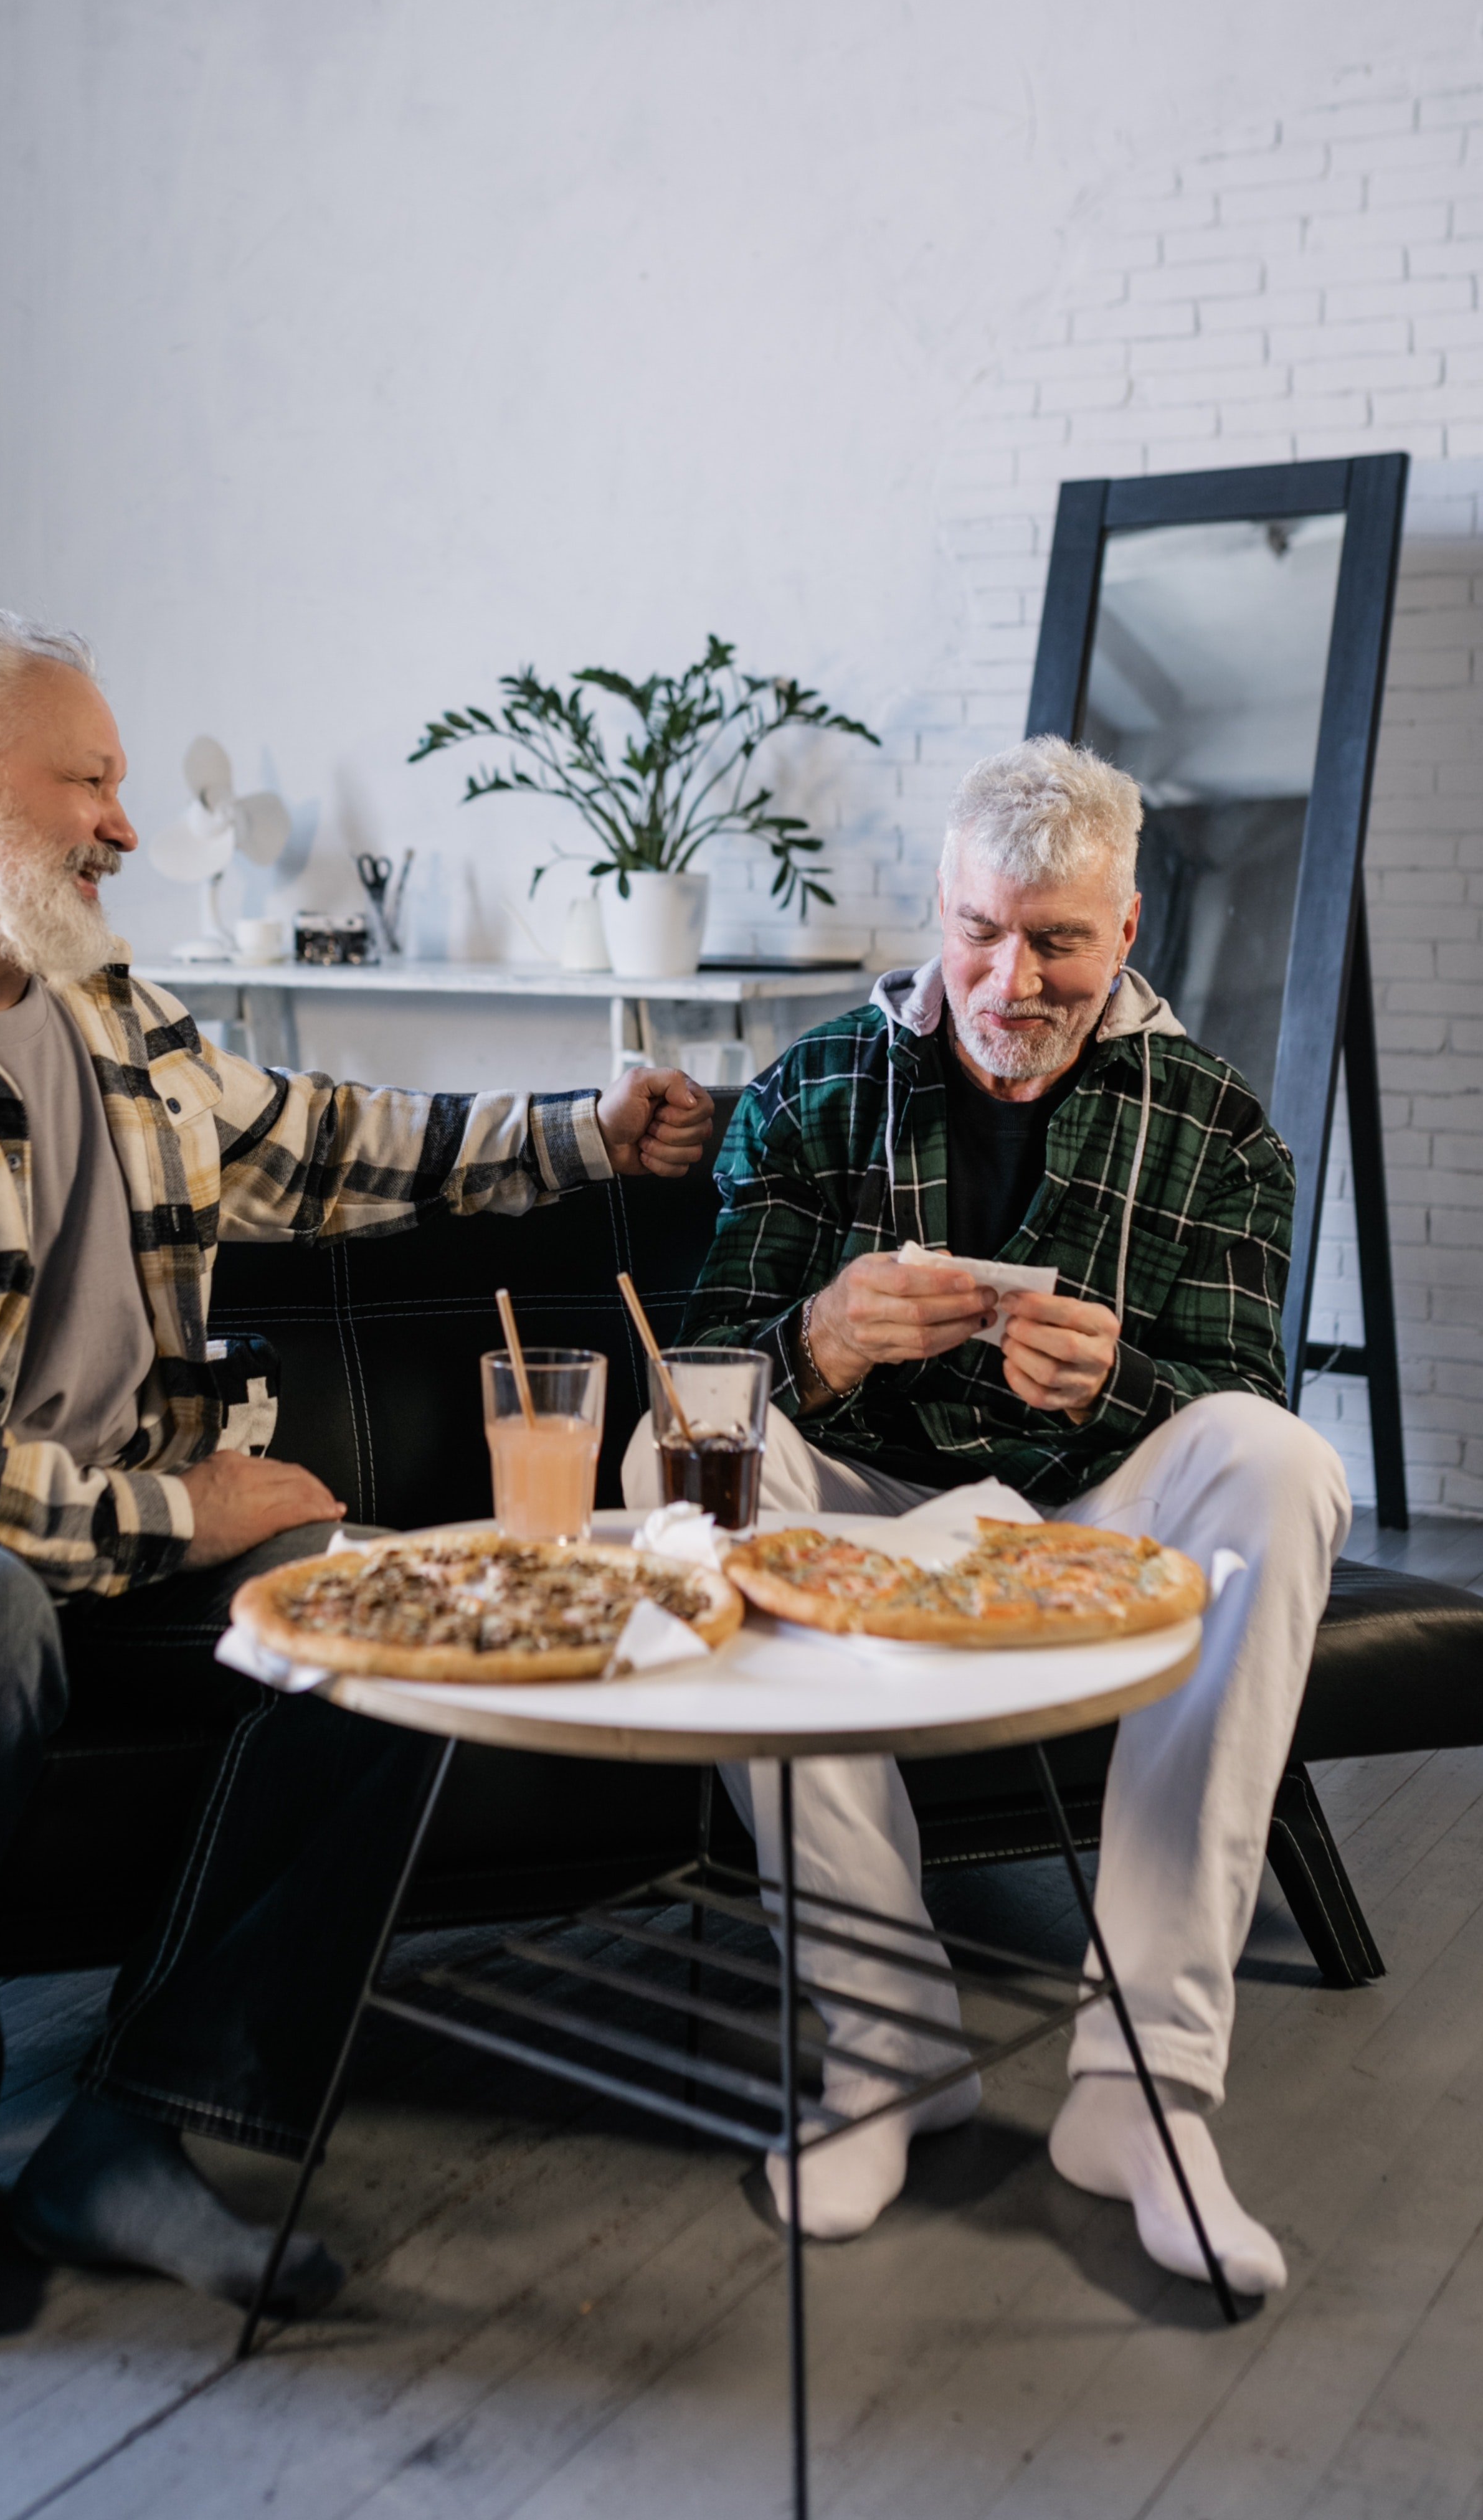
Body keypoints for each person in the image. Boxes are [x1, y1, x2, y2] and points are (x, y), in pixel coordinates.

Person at [0, 609, 713, 2347]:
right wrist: (176, 1518)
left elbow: (319, 1141)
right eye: (93, 782)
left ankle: (139, 2122)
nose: (128, 825)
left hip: (100, 1536)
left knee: (402, 1610)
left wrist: (583, 1132)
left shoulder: (109, 1011)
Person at [623, 735, 1348, 2301]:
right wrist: (818, 1334)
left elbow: (1240, 1390)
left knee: (1284, 1465)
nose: (1011, 981)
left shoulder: (1221, 1123)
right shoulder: (817, 1091)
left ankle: (1141, 2094)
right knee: (669, 1465)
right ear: (941, 910)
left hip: (1090, 1504)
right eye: (979, 931)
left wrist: (1119, 1382)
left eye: (1059, 941)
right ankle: (889, 2057)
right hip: (866, 1499)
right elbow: (712, 1376)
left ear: (1127, 934)